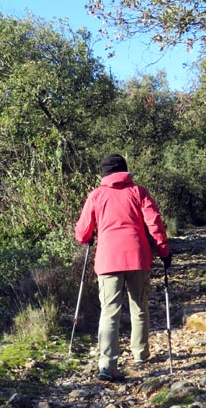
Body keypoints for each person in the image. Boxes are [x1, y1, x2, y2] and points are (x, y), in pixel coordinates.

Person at [74, 154, 172, 381]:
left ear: (103, 173)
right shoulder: (138, 192)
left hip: (108, 260)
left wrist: (88, 236)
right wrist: (164, 251)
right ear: (125, 170)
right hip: (138, 256)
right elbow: (154, 223)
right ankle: (140, 354)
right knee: (139, 307)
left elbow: (82, 233)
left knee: (109, 312)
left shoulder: (96, 195)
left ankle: (107, 365)